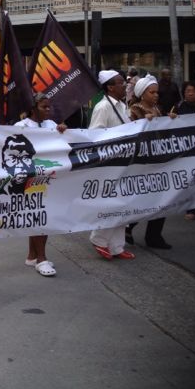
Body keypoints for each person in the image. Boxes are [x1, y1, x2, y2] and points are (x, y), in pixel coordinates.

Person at [16, 93, 67, 277]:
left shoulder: (52, 125)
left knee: (40, 215)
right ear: (33, 107)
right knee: (39, 215)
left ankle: (32, 255)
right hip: (29, 178)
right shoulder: (20, 126)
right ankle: (41, 258)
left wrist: (63, 130)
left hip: (48, 178)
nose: (48, 110)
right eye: (44, 107)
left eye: (49, 107)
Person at [88, 70, 135, 260]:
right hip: (110, 164)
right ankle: (99, 239)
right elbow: (95, 135)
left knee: (122, 204)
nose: (125, 85)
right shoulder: (102, 107)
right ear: (110, 87)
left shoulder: (123, 106)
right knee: (111, 204)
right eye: (121, 82)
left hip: (123, 162)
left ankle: (116, 246)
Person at [126, 74, 175, 249]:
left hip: (159, 159)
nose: (156, 95)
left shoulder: (158, 109)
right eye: (152, 92)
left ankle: (154, 236)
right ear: (141, 93)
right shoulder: (134, 111)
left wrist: (170, 121)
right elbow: (129, 132)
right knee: (143, 199)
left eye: (157, 92)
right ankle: (128, 226)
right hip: (143, 162)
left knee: (162, 198)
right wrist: (142, 123)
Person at [172, 81, 195, 220]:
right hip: (186, 149)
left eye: (193, 90)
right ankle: (191, 209)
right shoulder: (179, 106)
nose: (190, 93)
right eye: (187, 90)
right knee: (190, 178)